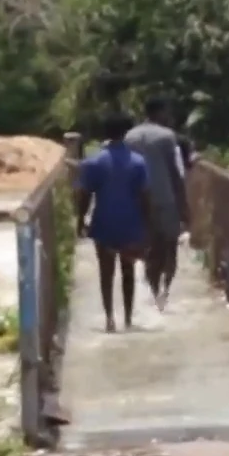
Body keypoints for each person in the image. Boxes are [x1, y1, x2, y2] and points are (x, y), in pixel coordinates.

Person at [75, 114, 152, 332]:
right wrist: (147, 225)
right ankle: (128, 316)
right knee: (128, 271)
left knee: (105, 273)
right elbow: (145, 196)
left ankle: (109, 317)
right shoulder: (138, 162)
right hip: (131, 222)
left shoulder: (93, 161)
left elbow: (84, 195)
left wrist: (80, 221)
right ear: (126, 134)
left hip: (104, 222)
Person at [124, 97, 190, 311]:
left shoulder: (130, 136)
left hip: (138, 200)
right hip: (165, 198)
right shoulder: (167, 137)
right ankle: (165, 289)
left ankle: (153, 290)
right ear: (160, 112)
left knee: (149, 248)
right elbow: (176, 172)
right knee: (170, 246)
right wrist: (184, 206)